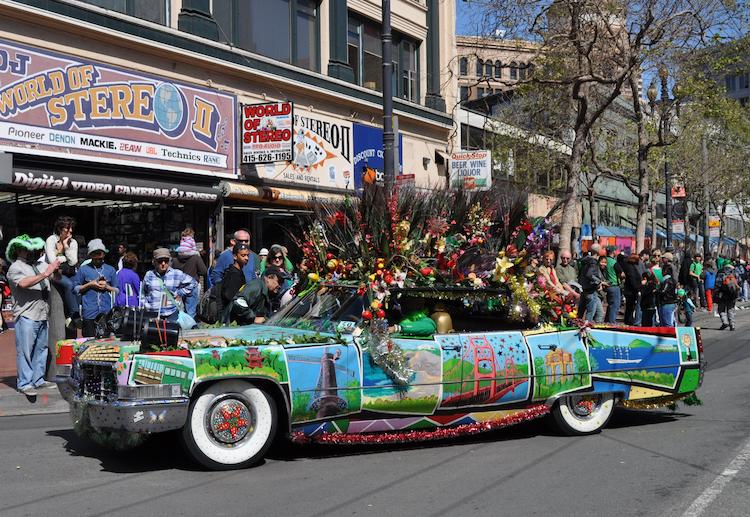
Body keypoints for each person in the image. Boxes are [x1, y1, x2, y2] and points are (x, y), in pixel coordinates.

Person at [6, 234, 60, 395]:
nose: (31, 252)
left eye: (32, 249)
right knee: (25, 350)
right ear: (18, 250)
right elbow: (23, 283)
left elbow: (57, 277)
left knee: (41, 348)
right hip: (26, 315)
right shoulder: (15, 267)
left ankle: (38, 380)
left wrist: (57, 266)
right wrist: (45, 273)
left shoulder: (39, 265)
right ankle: (25, 383)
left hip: (43, 313)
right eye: (26, 249)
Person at [74, 239, 119, 338]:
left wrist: (107, 287)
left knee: (105, 343)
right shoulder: (83, 269)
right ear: (90, 255)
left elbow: (117, 290)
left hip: (106, 312)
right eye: (95, 255)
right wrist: (90, 284)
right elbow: (76, 289)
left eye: (100, 254)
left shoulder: (110, 269)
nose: (98, 258)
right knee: (90, 340)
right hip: (90, 312)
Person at [142, 248, 199, 321]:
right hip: (152, 315)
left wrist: (180, 293)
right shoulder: (149, 274)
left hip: (171, 314)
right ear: (154, 261)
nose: (163, 263)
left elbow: (193, 283)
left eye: (166, 261)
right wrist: (144, 305)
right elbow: (143, 292)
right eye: (160, 261)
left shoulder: (176, 274)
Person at [44, 215, 80, 327]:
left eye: (71, 228)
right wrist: (61, 255)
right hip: (53, 273)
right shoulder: (51, 240)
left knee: (77, 285)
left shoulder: (73, 242)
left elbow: (73, 262)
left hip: (69, 271)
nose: (71, 231)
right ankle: (75, 315)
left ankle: (71, 315)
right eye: (67, 228)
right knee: (69, 284)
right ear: (60, 229)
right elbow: (52, 261)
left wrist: (66, 246)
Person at [221, 243, 251, 315]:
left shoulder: (238, 271)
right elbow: (230, 296)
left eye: (247, 255)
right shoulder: (234, 274)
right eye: (243, 255)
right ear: (235, 256)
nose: (246, 258)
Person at [577, 243, 604, 323]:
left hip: (585, 290)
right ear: (598, 251)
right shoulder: (593, 262)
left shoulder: (585, 261)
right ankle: (587, 330)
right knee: (590, 314)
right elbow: (590, 274)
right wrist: (599, 282)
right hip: (591, 291)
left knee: (599, 313)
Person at [715, 264, 740, 331]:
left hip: (723, 294)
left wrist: (716, 293)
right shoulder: (735, 273)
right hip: (732, 294)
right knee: (730, 309)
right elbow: (739, 282)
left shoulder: (720, 273)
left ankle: (725, 322)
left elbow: (717, 284)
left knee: (721, 309)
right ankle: (732, 325)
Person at [603, 246, 622, 324]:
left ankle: (607, 321)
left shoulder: (604, 260)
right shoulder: (614, 262)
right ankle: (612, 322)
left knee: (610, 304)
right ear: (613, 252)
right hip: (614, 285)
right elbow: (622, 274)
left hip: (607, 285)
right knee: (615, 305)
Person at [622, 254, 642, 326]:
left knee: (630, 307)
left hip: (630, 290)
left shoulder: (630, 266)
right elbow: (632, 279)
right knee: (630, 307)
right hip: (631, 291)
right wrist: (638, 288)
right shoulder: (631, 268)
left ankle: (629, 320)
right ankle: (628, 321)